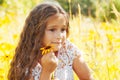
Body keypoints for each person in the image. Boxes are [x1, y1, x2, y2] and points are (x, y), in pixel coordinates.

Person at [8, 1, 93, 80]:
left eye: (63, 29)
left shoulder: (68, 50)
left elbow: (88, 78)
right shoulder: (25, 61)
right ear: (36, 31)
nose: (59, 36)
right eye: (52, 30)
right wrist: (46, 71)